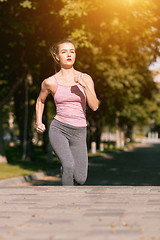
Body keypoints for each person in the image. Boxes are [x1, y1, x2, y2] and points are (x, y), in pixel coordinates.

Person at [35, 39, 99, 186]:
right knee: (69, 165)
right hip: (59, 128)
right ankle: (66, 202)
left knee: (81, 178)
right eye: (64, 52)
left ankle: (66, 170)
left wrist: (85, 87)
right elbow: (40, 101)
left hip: (79, 131)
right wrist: (38, 121)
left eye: (72, 51)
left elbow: (94, 106)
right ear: (57, 57)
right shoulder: (50, 82)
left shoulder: (86, 78)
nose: (69, 54)